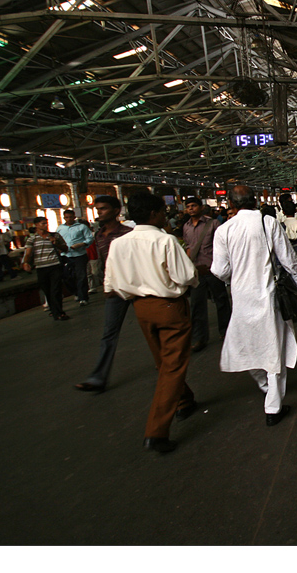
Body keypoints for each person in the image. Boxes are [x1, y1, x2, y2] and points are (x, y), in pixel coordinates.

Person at [105, 192, 199, 453]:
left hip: (140, 308)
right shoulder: (165, 240)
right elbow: (186, 275)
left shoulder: (118, 244)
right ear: (155, 214)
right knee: (172, 367)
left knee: (162, 361)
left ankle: (184, 401)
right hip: (169, 308)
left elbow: (111, 284)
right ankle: (156, 432)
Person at [211, 185, 297, 426]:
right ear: (255, 201)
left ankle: (267, 391)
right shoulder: (268, 223)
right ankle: (272, 405)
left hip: (241, 299)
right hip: (268, 296)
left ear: (231, 206)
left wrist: (237, 276)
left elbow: (220, 271)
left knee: (243, 345)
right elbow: (289, 259)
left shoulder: (223, 230)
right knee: (273, 348)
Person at [75, 195, 137, 393]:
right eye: (97, 208)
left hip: (137, 286)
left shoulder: (129, 233)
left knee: (152, 327)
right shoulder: (99, 235)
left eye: (103, 208)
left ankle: (166, 364)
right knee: (109, 333)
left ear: (117, 211)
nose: (99, 212)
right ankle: (98, 378)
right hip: (114, 290)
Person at [182, 197, 232, 353]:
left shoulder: (212, 224)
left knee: (221, 300)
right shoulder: (186, 227)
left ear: (201, 207)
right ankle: (199, 338)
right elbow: (188, 247)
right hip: (196, 271)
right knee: (197, 304)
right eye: (188, 206)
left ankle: (226, 332)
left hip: (212, 268)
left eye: (194, 206)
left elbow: (221, 246)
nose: (191, 209)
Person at [21, 217, 70, 320]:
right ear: (36, 225)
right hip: (41, 267)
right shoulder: (32, 239)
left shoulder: (55, 236)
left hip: (55, 265)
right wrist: (26, 262)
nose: (45, 225)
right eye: (43, 223)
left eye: (46, 223)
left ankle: (59, 313)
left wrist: (56, 243)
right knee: (47, 290)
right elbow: (28, 253)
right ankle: (54, 310)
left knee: (55, 289)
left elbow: (65, 248)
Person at [56, 208, 94, 306]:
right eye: (66, 217)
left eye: (70, 217)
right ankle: (76, 292)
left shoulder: (82, 227)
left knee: (81, 276)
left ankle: (83, 297)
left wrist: (81, 244)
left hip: (80, 255)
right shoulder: (60, 229)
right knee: (67, 277)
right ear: (64, 218)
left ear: (74, 217)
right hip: (66, 255)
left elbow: (90, 238)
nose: (68, 219)